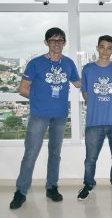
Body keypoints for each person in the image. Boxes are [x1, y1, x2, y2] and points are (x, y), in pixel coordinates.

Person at [9, 27, 81, 209]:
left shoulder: (69, 63)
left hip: (60, 115)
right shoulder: (35, 63)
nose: (57, 44)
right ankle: (21, 191)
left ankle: (51, 187)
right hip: (39, 115)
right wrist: (40, 99)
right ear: (46, 43)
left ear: (64, 43)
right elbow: (23, 88)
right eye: (53, 40)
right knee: (31, 154)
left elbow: (79, 83)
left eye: (60, 40)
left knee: (55, 154)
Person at [77, 35, 112, 201]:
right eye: (102, 47)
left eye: (109, 48)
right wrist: (100, 101)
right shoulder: (88, 69)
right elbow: (85, 93)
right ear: (97, 48)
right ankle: (88, 183)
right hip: (94, 121)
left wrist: (107, 100)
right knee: (90, 157)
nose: (105, 50)